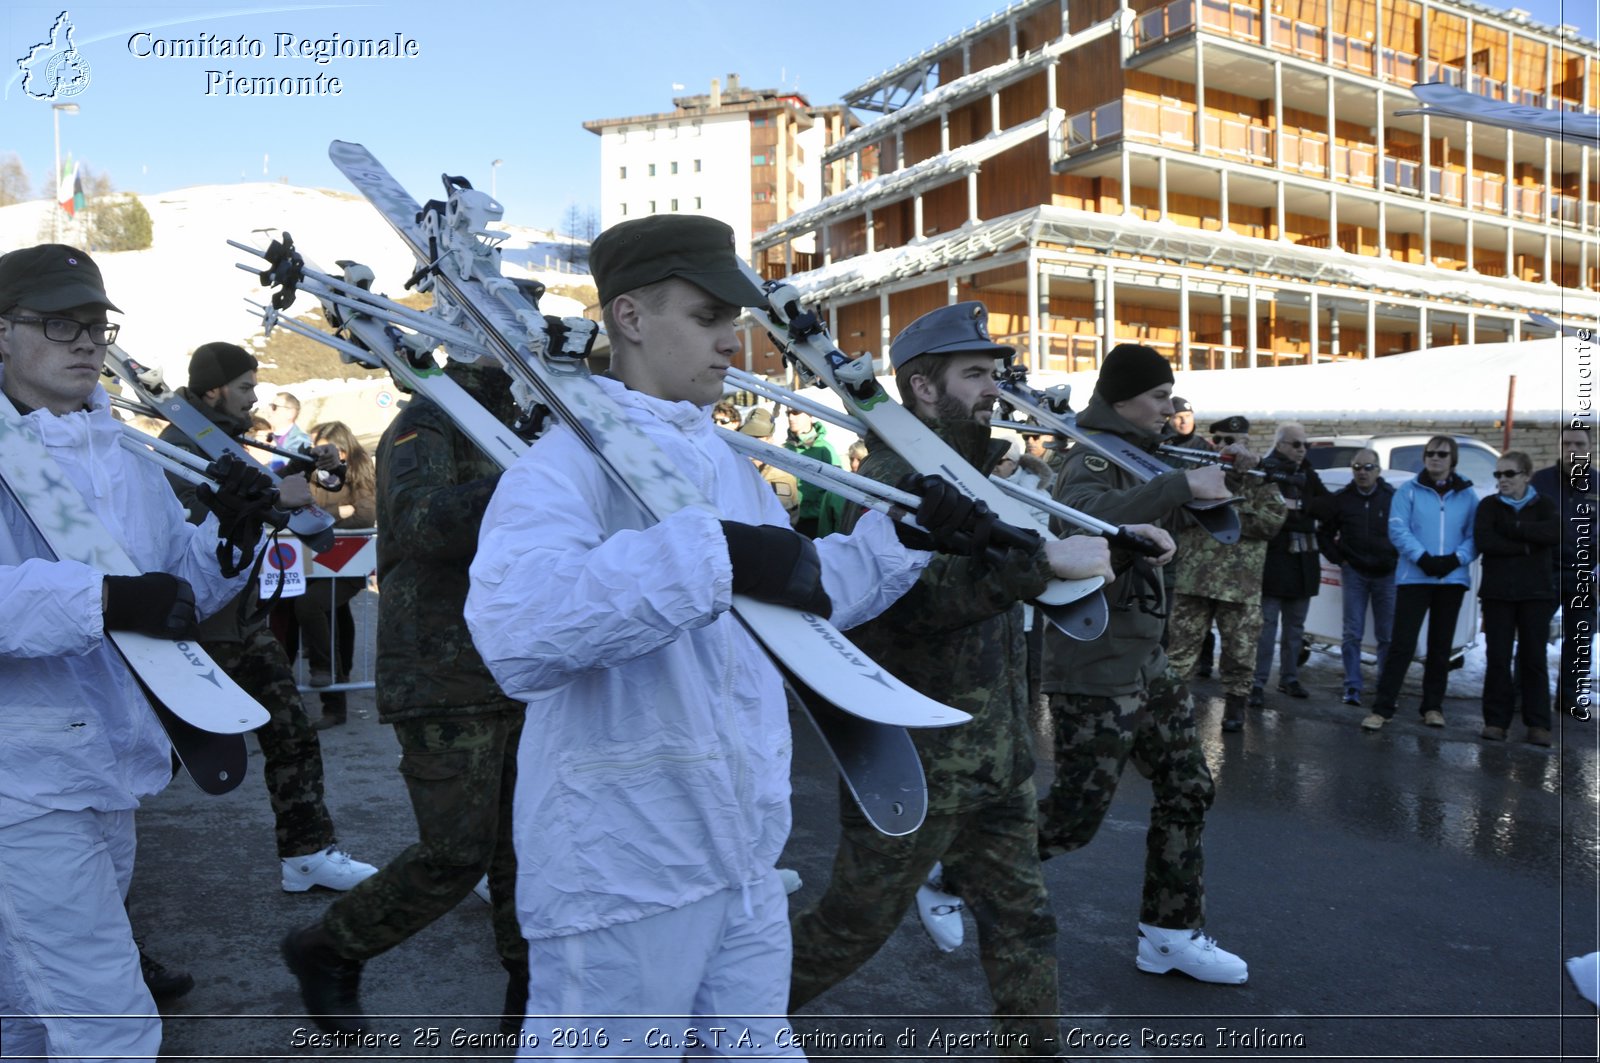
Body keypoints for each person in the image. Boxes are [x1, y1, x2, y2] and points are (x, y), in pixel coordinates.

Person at [462, 214, 945, 1047]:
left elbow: (797, 594)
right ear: (631, 317)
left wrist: (905, 539)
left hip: (742, 857)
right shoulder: (565, 463)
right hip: (622, 872)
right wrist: (710, 552)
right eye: (707, 317)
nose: (732, 341)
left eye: (735, 321)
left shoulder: (723, 462)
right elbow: (517, 628)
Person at [787, 302, 1121, 1052]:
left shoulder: (976, 474)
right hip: (918, 759)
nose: (993, 390)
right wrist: (1036, 566)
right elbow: (899, 608)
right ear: (923, 388)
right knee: (850, 929)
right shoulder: (891, 481)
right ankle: (713, 1024)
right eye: (975, 375)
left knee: (1024, 920)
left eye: (992, 373)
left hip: (995, 760)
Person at [0, 244, 261, 1056]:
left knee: (32, 1015)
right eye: (58, 323)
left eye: (96, 325)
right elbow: (111, 597)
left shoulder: (124, 454)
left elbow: (176, 590)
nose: (85, 340)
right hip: (20, 786)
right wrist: (102, 598)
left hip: (107, 771)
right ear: (2, 335)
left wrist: (231, 533)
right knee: (107, 1020)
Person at [283, 358, 530, 1035]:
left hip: (512, 663)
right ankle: (329, 946)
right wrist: (535, 482)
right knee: (455, 852)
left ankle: (529, 986)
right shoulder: (430, 418)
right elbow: (423, 522)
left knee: (524, 843)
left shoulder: (510, 424)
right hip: (442, 672)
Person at [1036, 342, 1249, 985]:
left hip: (1146, 658)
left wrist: (1208, 484)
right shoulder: (1090, 457)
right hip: (1094, 661)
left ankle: (1169, 933)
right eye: (1159, 396)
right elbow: (1085, 518)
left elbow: (1167, 512)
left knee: (1188, 784)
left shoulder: (1142, 455)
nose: (1169, 407)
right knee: (1075, 817)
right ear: (1123, 398)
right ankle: (956, 869)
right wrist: (1178, 485)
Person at [158, 342, 378, 890]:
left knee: (291, 731)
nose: (253, 397)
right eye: (245, 387)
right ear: (213, 390)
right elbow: (192, 524)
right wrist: (272, 500)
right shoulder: (176, 444)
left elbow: (260, 500)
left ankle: (307, 854)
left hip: (239, 623)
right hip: (193, 626)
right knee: (157, 751)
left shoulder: (229, 439)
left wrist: (313, 473)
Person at [1165, 417, 1286, 733]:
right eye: (1218, 440)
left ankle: (1235, 708)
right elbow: (1174, 513)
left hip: (1239, 583)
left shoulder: (1261, 479)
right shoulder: (1195, 474)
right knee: (1180, 652)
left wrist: (1223, 512)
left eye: (1232, 439)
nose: (1224, 447)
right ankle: (1173, 709)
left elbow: (1272, 522)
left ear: (1246, 442)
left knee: (1240, 651)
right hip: (1194, 578)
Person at [1363, 435, 1480, 732]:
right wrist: (1423, 558)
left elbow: (1475, 535)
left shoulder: (1468, 495)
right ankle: (1383, 708)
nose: (1435, 458)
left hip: (1451, 578)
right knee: (1401, 644)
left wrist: (1455, 559)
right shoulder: (1408, 491)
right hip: (1415, 576)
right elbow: (1397, 528)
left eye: (1442, 454)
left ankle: (1432, 707)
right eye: (1430, 453)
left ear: (1452, 459)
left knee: (1440, 647)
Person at [292, 421, 377, 729]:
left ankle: (326, 675)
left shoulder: (359, 470)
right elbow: (300, 507)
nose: (319, 455)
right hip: (320, 564)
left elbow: (366, 516)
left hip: (348, 563)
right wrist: (333, 517)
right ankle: (335, 701)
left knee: (308, 605)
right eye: (316, 449)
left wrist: (325, 528)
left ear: (342, 450)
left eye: (325, 449)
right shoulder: (315, 471)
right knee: (336, 620)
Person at [1476, 450, 1560, 746]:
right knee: (1497, 657)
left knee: (1533, 658)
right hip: (1498, 593)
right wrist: (1526, 546)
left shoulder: (1543, 504)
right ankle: (1496, 722)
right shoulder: (1489, 506)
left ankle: (1538, 724)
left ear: (1526, 475)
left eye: (1509, 474)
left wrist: (1515, 529)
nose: (1502, 480)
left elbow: (1553, 533)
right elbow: (1485, 540)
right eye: (1498, 474)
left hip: (1535, 593)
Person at [1249, 422, 1327, 705]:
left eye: (1305, 444)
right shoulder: (1267, 470)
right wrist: (1298, 515)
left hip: (1303, 565)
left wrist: (1300, 510)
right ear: (1280, 444)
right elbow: (1267, 516)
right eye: (1296, 444)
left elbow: (1327, 506)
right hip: (1274, 563)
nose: (1302, 450)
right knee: (1266, 628)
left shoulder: (1307, 473)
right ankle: (1256, 682)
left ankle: (1289, 678)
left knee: (1295, 629)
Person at [1316, 448, 1398, 706]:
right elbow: (1323, 533)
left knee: (1387, 635)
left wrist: (1395, 558)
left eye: (1368, 467)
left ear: (1378, 470)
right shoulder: (1342, 499)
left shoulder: (1392, 498)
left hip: (1386, 574)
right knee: (1352, 632)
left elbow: (1406, 530)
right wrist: (1340, 559)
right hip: (1355, 574)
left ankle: (1386, 689)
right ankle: (1352, 686)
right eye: (1357, 467)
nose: (1362, 472)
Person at [1531, 424, 1596, 719]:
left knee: (1580, 638)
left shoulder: (1597, 484)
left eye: (1579, 444)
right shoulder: (1540, 482)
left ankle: (1569, 697)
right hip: (1546, 569)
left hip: (1584, 573)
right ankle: (1524, 692)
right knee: (1533, 632)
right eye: (1567, 443)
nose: (1573, 449)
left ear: (1589, 448)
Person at [783, 406, 845, 537]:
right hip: (787, 522)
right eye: (788, 413)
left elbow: (838, 491)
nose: (790, 417)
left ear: (810, 415)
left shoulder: (825, 449)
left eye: (796, 412)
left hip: (817, 523)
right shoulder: (784, 449)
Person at [737, 406, 801, 524]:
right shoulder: (746, 464)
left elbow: (778, 518)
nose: (751, 442)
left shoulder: (780, 474)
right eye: (748, 436)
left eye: (757, 437)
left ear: (769, 439)